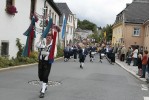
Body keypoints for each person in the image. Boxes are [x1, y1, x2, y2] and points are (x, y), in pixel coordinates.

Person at [36, 32, 56, 98]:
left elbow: (54, 54)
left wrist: (47, 53)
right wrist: (40, 39)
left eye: (49, 38)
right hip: (41, 61)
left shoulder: (53, 46)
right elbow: (37, 45)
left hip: (47, 63)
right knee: (40, 76)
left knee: (45, 76)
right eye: (47, 37)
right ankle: (45, 86)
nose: (48, 39)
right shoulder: (43, 43)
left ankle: (43, 91)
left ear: (52, 39)